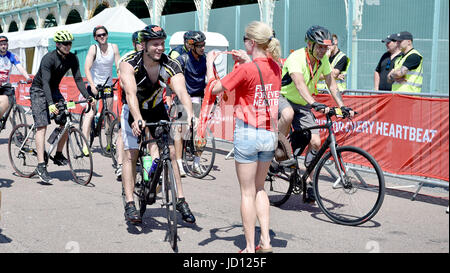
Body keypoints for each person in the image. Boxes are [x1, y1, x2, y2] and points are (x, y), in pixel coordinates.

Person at [206, 21, 281, 253]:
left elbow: (215, 88)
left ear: (250, 42)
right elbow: (259, 72)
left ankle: (250, 247)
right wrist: (246, 61)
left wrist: (211, 64)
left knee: (247, 192)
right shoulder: (277, 66)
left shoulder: (245, 70)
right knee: (260, 188)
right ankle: (266, 241)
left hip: (248, 132)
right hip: (269, 133)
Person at [119, 25, 196, 224]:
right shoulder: (129, 63)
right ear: (143, 45)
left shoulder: (169, 64)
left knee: (170, 152)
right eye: (155, 44)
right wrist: (137, 118)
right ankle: (129, 202)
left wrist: (189, 113)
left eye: (162, 43)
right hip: (133, 109)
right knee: (131, 153)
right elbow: (130, 94)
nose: (160, 48)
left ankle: (180, 200)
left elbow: (181, 91)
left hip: (155, 108)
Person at [277, 25, 354, 203]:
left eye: (325, 47)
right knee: (287, 114)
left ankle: (309, 181)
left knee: (316, 141)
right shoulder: (296, 57)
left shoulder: (323, 61)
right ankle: (277, 147)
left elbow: (331, 84)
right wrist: (314, 103)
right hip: (284, 97)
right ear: (309, 44)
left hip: (303, 104)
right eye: (319, 47)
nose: (322, 51)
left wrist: (343, 106)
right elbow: (299, 83)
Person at [29, 30, 92, 184]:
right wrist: (50, 104)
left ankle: (58, 154)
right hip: (39, 90)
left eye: (70, 43)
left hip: (54, 90)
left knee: (65, 121)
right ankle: (41, 165)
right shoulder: (48, 59)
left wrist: (88, 96)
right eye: (65, 43)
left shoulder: (72, 58)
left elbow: (78, 79)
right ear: (57, 44)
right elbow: (45, 83)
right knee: (42, 126)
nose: (68, 46)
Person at [81, 25, 121, 155]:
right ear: (95, 38)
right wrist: (92, 85)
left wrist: (121, 78)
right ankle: (85, 143)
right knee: (91, 113)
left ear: (107, 35)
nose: (102, 37)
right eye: (99, 35)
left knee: (109, 112)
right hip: (94, 84)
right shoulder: (94, 48)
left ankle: (109, 143)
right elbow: (87, 68)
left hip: (107, 84)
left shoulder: (113, 47)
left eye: (104, 34)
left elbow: (118, 65)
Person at [172, 30, 207, 175]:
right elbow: (169, 76)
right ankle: (179, 163)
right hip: (183, 98)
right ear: (192, 46)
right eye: (200, 45)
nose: (203, 48)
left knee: (200, 131)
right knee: (180, 130)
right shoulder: (182, 59)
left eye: (204, 44)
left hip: (198, 98)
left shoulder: (204, 58)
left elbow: (211, 77)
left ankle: (196, 163)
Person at [115, 31, 144, 181]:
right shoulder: (127, 58)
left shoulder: (150, 57)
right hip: (127, 98)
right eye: (139, 42)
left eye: (143, 42)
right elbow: (122, 82)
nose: (141, 45)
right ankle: (120, 164)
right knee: (122, 132)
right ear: (134, 44)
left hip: (145, 102)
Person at [0, 35, 32, 119]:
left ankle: (15, 129)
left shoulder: (11, 56)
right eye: (1, 44)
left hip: (6, 85)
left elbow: (20, 67)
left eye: (5, 44)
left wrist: (27, 77)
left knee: (9, 103)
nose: (3, 46)